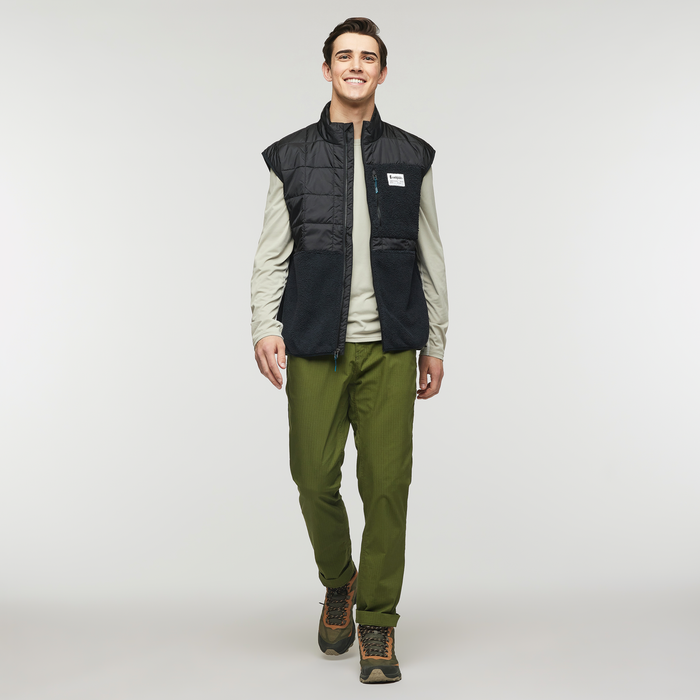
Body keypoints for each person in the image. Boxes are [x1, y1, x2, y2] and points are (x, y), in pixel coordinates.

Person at [250, 17, 448, 684]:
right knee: (313, 477)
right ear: (327, 68)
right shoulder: (291, 156)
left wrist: (435, 340)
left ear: (382, 72)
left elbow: (430, 255)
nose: (356, 66)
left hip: (391, 347)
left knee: (387, 486)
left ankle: (377, 621)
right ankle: (340, 580)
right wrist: (264, 325)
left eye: (368, 57)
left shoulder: (412, 155)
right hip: (313, 343)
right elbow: (271, 254)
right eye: (344, 56)